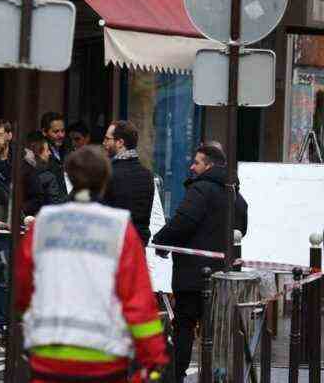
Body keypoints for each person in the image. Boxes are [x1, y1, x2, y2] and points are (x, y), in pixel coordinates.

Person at [16, 146, 168, 383]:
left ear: (69, 177)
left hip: (49, 354)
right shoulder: (119, 229)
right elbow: (137, 301)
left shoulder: (44, 224)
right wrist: (153, 356)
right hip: (103, 358)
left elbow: (23, 287)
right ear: (106, 180)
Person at [152, 143, 248, 383]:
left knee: (184, 326)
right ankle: (219, 376)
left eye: (197, 162)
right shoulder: (235, 194)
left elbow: (184, 221)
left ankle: (176, 376)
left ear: (210, 165)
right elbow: (241, 228)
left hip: (193, 275)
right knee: (217, 329)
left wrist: (161, 241)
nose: (192, 167)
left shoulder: (201, 190)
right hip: (222, 275)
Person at [102, 120, 155, 246]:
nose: (104, 143)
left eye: (107, 139)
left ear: (120, 142)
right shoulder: (147, 175)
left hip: (114, 246)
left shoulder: (108, 174)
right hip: (138, 246)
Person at [23, 131, 64, 217]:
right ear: (38, 153)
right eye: (47, 150)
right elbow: (54, 205)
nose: (49, 153)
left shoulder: (20, 172)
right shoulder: (49, 177)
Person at [40, 112, 69, 201]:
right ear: (44, 132)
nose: (61, 135)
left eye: (63, 131)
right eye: (56, 132)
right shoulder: (41, 153)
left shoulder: (68, 149)